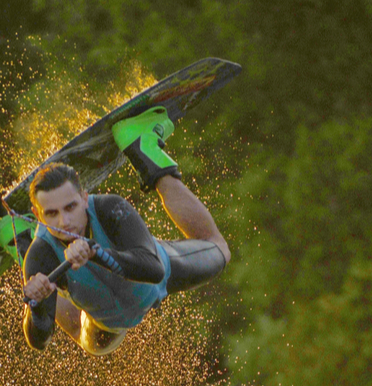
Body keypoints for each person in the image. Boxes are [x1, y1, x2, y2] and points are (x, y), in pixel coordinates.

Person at [21, 107, 230, 354]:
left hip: (159, 275)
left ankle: (144, 146)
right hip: (105, 322)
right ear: (38, 215)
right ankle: (19, 238)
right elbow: (40, 341)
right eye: (52, 213)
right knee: (87, 342)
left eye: (70, 207)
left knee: (220, 249)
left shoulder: (110, 208)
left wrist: (94, 253)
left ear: (84, 197)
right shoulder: (40, 256)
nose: (64, 221)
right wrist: (35, 304)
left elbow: (154, 270)